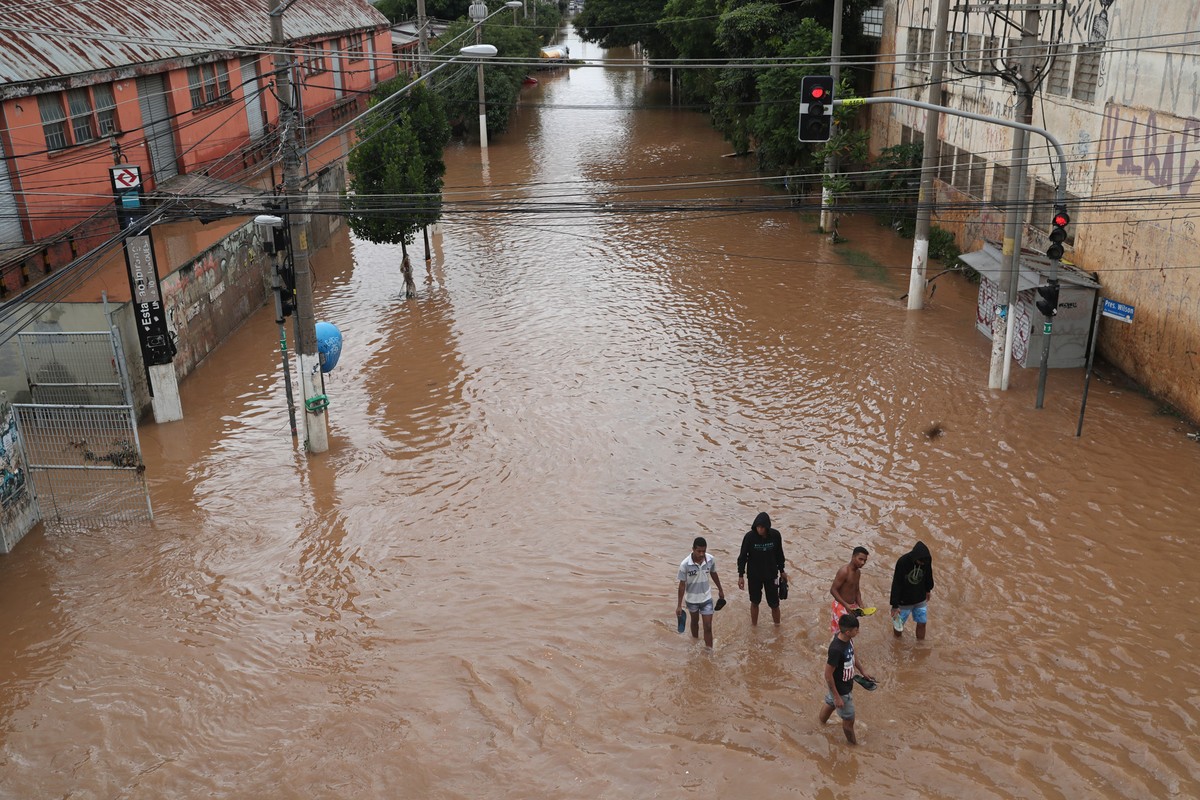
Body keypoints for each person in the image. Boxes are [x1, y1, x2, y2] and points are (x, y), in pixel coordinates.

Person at [819, 614, 875, 745]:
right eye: (856, 630)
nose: (858, 632)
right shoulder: (836, 650)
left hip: (844, 683)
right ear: (848, 631)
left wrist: (863, 672)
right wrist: (837, 696)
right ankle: (852, 745)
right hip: (841, 688)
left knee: (830, 702)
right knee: (849, 719)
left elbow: (853, 654)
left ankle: (820, 725)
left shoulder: (848, 638)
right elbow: (828, 674)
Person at [736, 512, 787, 626]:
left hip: (771, 575)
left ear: (767, 527)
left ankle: (777, 626)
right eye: (758, 527)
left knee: (775, 604)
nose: (760, 529)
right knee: (754, 602)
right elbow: (742, 557)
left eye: (762, 527)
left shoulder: (775, 535)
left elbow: (779, 554)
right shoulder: (749, 537)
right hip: (754, 576)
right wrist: (741, 576)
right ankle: (754, 626)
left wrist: (782, 570)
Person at [676, 537, 725, 648]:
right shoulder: (684, 565)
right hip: (692, 600)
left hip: (706, 598)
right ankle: (695, 643)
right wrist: (679, 605)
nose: (702, 554)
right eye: (699, 551)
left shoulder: (710, 559)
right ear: (693, 549)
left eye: (704, 551)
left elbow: (713, 573)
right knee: (694, 622)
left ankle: (709, 651)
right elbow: (682, 585)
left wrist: (720, 589)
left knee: (708, 626)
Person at [889, 541, 934, 639]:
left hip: (920, 598)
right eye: (920, 561)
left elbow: (928, 574)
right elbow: (896, 583)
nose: (922, 564)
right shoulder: (902, 562)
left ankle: (921, 645)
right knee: (898, 626)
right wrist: (895, 605)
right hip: (903, 601)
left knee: (922, 623)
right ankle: (897, 645)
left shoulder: (926, 561)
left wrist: (928, 590)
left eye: (924, 562)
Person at [830, 546, 870, 634]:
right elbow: (833, 590)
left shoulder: (858, 572)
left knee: (851, 632)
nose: (863, 563)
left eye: (865, 561)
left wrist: (861, 604)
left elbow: (856, 590)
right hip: (841, 606)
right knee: (840, 633)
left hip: (852, 607)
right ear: (853, 557)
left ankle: (847, 647)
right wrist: (845, 605)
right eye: (860, 559)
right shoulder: (844, 572)